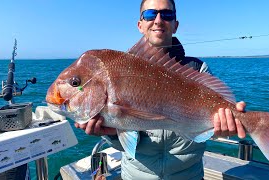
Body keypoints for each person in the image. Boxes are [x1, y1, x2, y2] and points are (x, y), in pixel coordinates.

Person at [75, 0, 246, 179]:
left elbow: (205, 128)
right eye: (150, 14)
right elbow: (128, 142)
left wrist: (225, 125)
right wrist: (114, 134)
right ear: (140, 25)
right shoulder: (120, 70)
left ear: (175, 25)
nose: (158, 20)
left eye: (167, 14)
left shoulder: (197, 69)